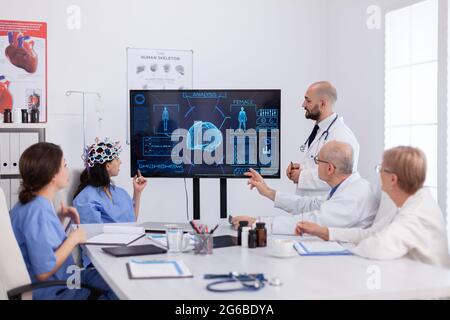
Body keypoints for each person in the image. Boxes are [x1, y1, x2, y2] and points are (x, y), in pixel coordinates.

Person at [296, 146, 450, 268]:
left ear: (392, 179)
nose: (379, 174)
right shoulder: (407, 203)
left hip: (430, 291)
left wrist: (344, 251)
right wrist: (322, 231)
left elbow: (376, 246)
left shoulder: (416, 215)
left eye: (380, 169)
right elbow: (371, 233)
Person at [10, 142, 117, 299]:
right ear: (53, 175)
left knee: (112, 276)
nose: (67, 170)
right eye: (64, 165)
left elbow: (43, 243)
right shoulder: (37, 210)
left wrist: (60, 219)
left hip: (66, 279)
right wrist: (73, 239)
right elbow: (44, 271)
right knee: (118, 288)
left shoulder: (32, 205)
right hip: (58, 290)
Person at [232, 141, 377, 234]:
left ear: (330, 169)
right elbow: (310, 205)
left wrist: (258, 223)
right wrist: (269, 192)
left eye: (318, 161)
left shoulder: (353, 196)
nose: (315, 165)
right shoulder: (347, 187)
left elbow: (313, 221)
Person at [287, 81, 359, 197]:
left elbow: (339, 176)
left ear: (322, 104)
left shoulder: (342, 136)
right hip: (309, 207)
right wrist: (301, 169)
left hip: (325, 208)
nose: (303, 104)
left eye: (308, 100)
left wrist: (302, 176)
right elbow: (320, 165)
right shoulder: (320, 129)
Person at [73, 137, 148, 224]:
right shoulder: (85, 199)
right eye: (116, 159)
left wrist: (137, 192)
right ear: (107, 166)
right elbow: (92, 233)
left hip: (127, 236)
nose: (120, 162)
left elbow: (132, 220)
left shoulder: (119, 193)